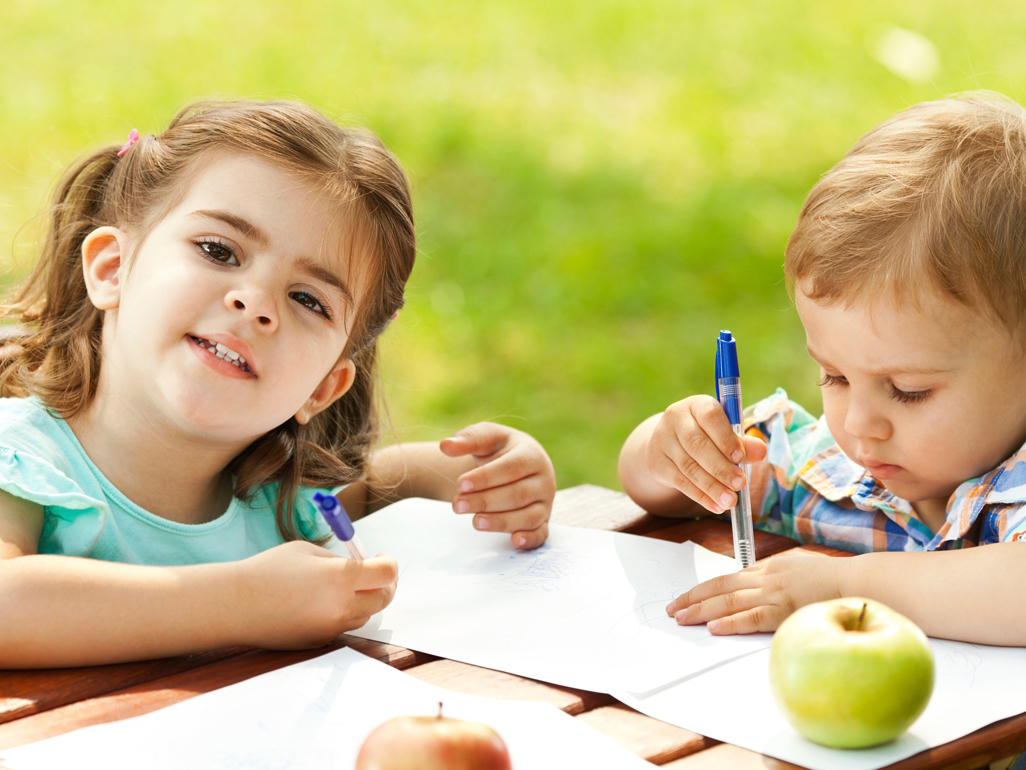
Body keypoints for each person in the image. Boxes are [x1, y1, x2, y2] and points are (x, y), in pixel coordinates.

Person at [0, 99, 556, 668]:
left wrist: (467, 473)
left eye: (307, 299)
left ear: (323, 388)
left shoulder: (275, 501)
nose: (257, 302)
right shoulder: (22, 461)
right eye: (219, 251)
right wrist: (242, 603)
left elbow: (364, 489)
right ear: (113, 268)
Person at [619, 93, 1026, 646]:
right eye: (835, 377)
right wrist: (674, 454)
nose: (859, 424)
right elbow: (651, 490)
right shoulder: (829, 471)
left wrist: (842, 585)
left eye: (907, 391)